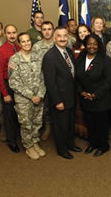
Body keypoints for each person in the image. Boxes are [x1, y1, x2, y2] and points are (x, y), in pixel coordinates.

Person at [42, 27, 82, 160]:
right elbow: (50, 82)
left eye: (65, 36)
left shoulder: (69, 52)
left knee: (70, 123)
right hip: (59, 99)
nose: (63, 38)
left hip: (70, 96)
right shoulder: (50, 56)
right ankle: (62, 149)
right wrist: (57, 101)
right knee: (60, 126)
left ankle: (70, 144)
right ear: (54, 38)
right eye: (59, 36)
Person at [76, 34, 111, 157]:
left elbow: (109, 80)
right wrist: (81, 91)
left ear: (98, 45)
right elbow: (76, 77)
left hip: (101, 99)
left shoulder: (105, 60)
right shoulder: (81, 58)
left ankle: (103, 146)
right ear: (85, 45)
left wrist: (95, 95)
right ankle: (92, 143)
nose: (91, 46)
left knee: (101, 124)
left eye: (94, 44)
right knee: (90, 123)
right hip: (85, 98)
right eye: (89, 44)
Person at [8, 33, 46, 160]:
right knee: (26, 123)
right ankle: (28, 146)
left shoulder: (38, 57)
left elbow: (43, 78)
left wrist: (40, 95)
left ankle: (35, 142)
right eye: (23, 41)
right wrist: (31, 96)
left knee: (37, 122)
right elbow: (13, 82)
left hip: (38, 98)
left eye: (28, 40)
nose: (26, 43)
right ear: (19, 44)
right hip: (23, 99)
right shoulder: (14, 60)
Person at [0, 24, 21, 153]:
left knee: (19, 114)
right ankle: (12, 142)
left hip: (19, 86)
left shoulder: (19, 47)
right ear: (5, 35)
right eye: (9, 33)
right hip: (8, 85)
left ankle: (21, 138)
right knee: (9, 116)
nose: (12, 35)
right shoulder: (1, 51)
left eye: (14, 32)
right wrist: (5, 93)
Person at [32, 21, 54, 141]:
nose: (47, 31)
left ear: (53, 30)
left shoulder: (59, 43)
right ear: (41, 31)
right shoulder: (36, 46)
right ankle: (48, 127)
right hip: (43, 80)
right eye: (44, 29)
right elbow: (35, 66)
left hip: (57, 81)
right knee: (45, 106)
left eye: (49, 29)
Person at [71, 24, 91, 139]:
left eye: (85, 31)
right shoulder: (75, 47)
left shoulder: (94, 45)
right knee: (79, 108)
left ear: (89, 32)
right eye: (80, 32)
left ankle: (90, 131)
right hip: (78, 83)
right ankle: (81, 131)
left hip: (91, 83)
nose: (83, 34)